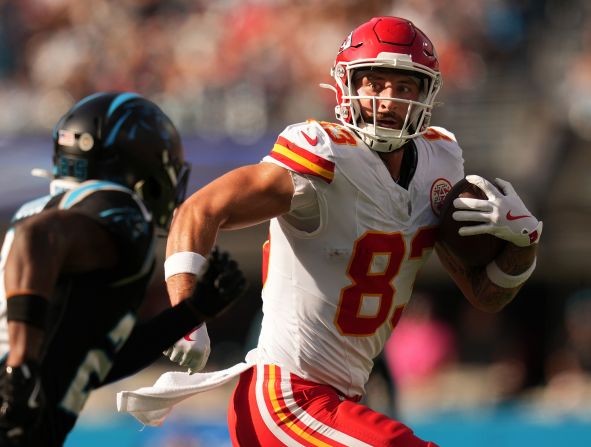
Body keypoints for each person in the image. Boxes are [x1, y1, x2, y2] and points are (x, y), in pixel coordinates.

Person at [120, 16, 543, 446]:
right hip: (286, 399)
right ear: (347, 86)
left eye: (404, 87)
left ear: (426, 93)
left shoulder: (440, 160)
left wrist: (524, 243)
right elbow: (200, 209)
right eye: (373, 83)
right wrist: (184, 312)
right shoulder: (324, 155)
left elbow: (486, 295)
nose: (387, 100)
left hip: (341, 402)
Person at [0, 92, 246, 447]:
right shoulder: (119, 210)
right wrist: (22, 367)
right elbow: (36, 238)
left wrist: (188, 313)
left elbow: (89, 364)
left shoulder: (49, 207)